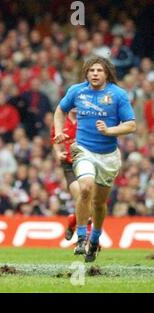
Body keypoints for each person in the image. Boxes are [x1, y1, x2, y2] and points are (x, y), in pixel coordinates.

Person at [54, 56, 136, 262]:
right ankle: (81, 237)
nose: (95, 74)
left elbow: (131, 125)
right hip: (83, 149)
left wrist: (110, 130)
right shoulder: (76, 91)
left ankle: (94, 239)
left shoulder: (118, 95)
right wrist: (58, 131)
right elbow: (59, 111)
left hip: (108, 156)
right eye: (91, 70)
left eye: (99, 70)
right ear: (86, 73)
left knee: (99, 203)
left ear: (106, 73)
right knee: (85, 188)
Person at [50, 108, 92, 240]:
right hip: (69, 164)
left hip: (86, 163)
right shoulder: (60, 121)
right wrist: (58, 152)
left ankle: (72, 221)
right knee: (81, 195)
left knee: (88, 198)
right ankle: (86, 236)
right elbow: (54, 139)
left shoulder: (86, 121)